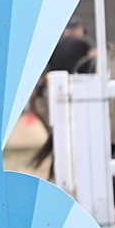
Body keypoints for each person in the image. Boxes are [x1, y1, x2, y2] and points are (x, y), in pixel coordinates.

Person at [29, 18, 95, 176]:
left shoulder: (55, 45)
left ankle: (58, 169)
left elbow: (46, 71)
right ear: (79, 29)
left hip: (55, 96)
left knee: (59, 134)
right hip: (80, 94)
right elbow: (94, 60)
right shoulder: (84, 43)